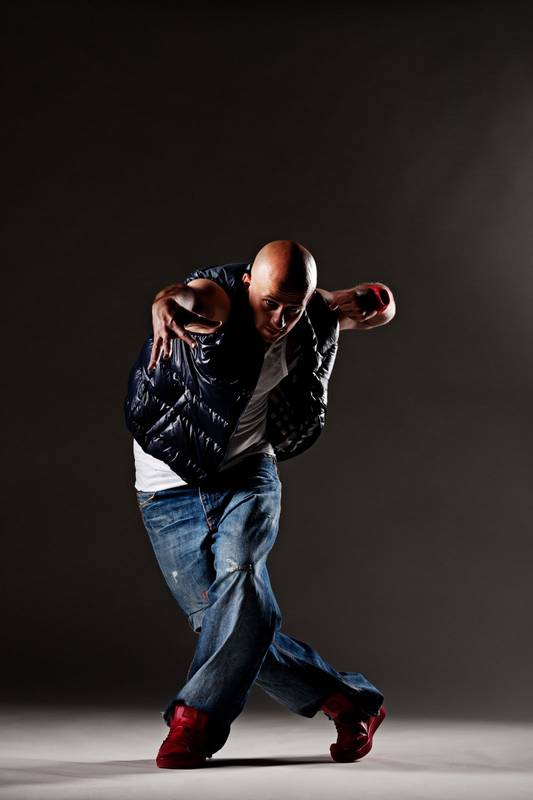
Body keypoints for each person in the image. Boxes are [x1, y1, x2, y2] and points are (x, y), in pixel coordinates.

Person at [124, 240, 396, 768]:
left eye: (293, 307)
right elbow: (190, 297)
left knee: (241, 578)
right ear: (248, 283)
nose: (279, 320)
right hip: (166, 487)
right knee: (229, 620)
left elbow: (373, 308)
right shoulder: (217, 302)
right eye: (270, 303)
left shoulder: (307, 313)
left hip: (248, 472)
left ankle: (194, 722)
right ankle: (351, 703)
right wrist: (166, 301)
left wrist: (370, 300)